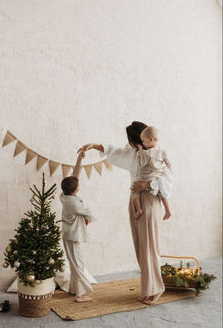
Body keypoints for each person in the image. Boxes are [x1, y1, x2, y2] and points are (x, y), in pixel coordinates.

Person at [78, 121, 167, 305]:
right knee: (140, 247)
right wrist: (94, 145)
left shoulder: (157, 154)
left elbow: (167, 180)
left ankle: (158, 288)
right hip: (135, 201)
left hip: (150, 200)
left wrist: (146, 184)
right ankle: (148, 288)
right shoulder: (132, 153)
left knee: (150, 246)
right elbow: (114, 151)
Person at [60, 150, 95, 303]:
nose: (79, 183)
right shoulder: (73, 203)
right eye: (78, 184)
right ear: (75, 189)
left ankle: (73, 289)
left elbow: (75, 175)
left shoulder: (64, 196)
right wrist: (87, 217)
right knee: (78, 264)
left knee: (74, 263)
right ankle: (80, 295)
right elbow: (88, 212)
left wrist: (79, 160)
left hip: (69, 235)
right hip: (73, 237)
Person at [132, 126, 172, 221]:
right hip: (157, 177)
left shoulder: (147, 153)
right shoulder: (163, 152)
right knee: (161, 193)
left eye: (143, 141)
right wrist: (168, 173)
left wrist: (140, 151)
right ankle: (167, 210)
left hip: (146, 178)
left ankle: (139, 209)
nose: (142, 143)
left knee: (134, 190)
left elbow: (141, 163)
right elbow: (168, 163)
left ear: (150, 139)